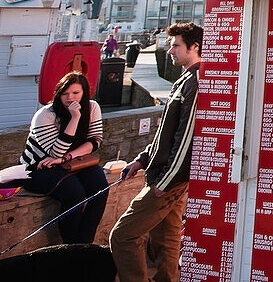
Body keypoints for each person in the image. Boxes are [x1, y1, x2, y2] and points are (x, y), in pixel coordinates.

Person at [110, 21, 202, 282]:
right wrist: (141, 160)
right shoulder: (185, 79)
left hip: (167, 179)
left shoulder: (194, 82)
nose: (170, 51)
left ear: (195, 47)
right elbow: (166, 133)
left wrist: (166, 181)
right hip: (166, 176)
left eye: (176, 46)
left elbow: (185, 139)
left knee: (123, 235)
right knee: (166, 241)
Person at [19, 72, 109, 244]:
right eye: (65, 93)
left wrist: (67, 157)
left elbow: (95, 141)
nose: (70, 98)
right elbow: (54, 153)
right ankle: (70, 246)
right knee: (74, 193)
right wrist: (75, 118)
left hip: (70, 161)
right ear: (58, 94)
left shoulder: (92, 108)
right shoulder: (45, 115)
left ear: (84, 93)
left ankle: (84, 243)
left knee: (100, 188)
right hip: (38, 167)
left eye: (75, 93)